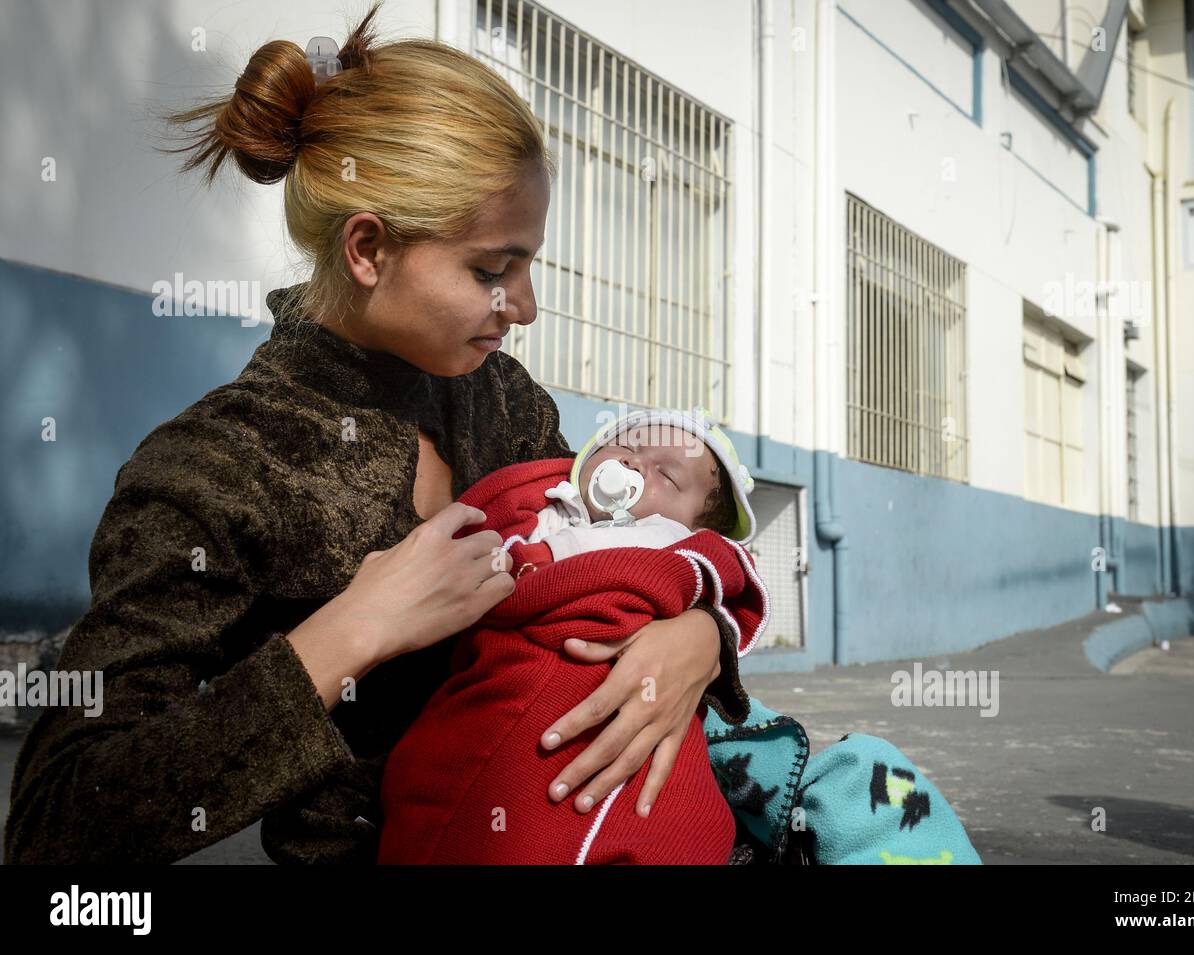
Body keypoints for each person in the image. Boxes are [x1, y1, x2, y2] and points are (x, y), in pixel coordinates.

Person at [2, 2, 750, 865]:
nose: (527, 307)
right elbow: (56, 825)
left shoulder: (503, 403)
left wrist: (700, 637)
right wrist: (349, 632)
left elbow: (626, 565)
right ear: (367, 249)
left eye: (529, 264)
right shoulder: (215, 466)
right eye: (490, 270)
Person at [379, 410, 770, 864]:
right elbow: (496, 563)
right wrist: (529, 556)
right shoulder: (549, 509)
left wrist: (702, 627)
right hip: (510, 681)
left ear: (698, 525)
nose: (636, 464)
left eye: (666, 473)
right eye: (627, 446)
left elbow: (719, 574)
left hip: (633, 688)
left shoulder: (676, 542)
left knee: (674, 822)